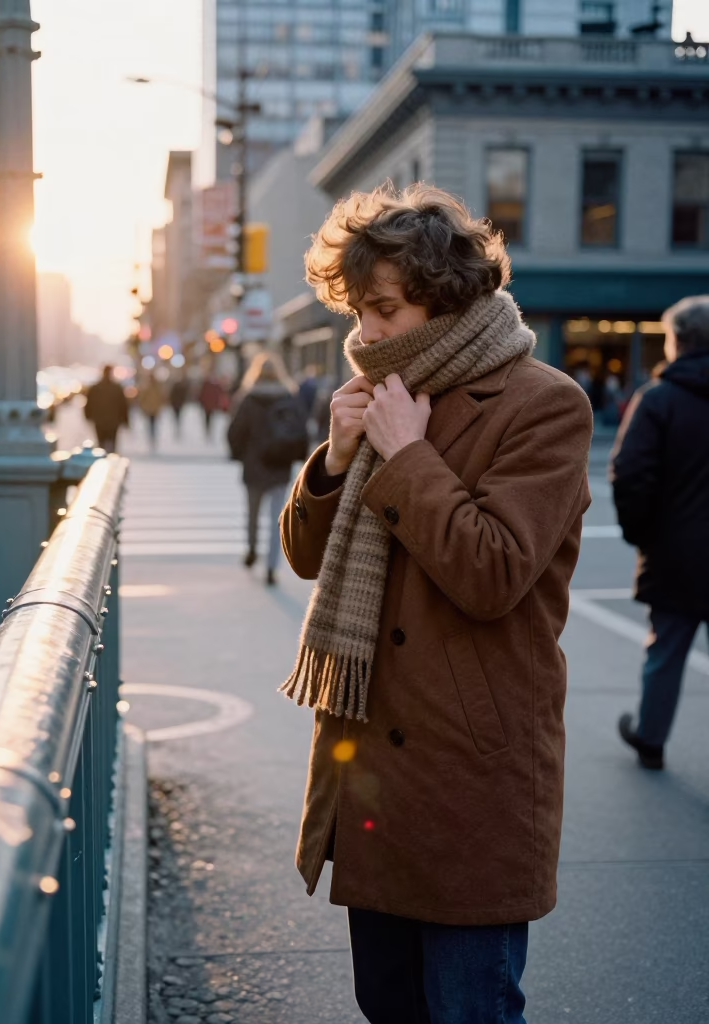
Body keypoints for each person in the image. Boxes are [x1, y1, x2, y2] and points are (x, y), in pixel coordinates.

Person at [278, 185, 592, 1023]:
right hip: (374, 772)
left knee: (469, 1010)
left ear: (445, 296)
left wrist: (408, 455)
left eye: (383, 309)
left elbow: (493, 573)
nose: (364, 333)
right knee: (388, 1005)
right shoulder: (379, 397)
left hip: (469, 776)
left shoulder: (544, 404)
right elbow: (308, 559)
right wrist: (337, 460)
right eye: (358, 310)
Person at [610, 295, 709, 771]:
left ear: (676, 342)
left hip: (678, 551)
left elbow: (630, 474)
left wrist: (642, 534)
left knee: (666, 649)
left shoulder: (659, 400)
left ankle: (651, 738)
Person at [227, 352, 307, 586]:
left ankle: (251, 548)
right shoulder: (289, 396)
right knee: (277, 519)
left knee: (252, 514)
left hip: (253, 465)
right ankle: (272, 567)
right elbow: (301, 430)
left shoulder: (248, 398)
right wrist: (298, 457)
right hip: (280, 465)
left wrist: (239, 455)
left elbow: (235, 431)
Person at [83, 365, 129, 453]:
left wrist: (88, 416)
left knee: (101, 444)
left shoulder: (95, 388)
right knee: (112, 443)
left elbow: (89, 404)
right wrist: (125, 420)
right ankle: (111, 459)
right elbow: (123, 406)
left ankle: (104, 459)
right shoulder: (116, 388)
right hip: (113, 421)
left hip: (100, 421)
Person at [136, 374, 164, 453]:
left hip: (153, 409)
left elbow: (160, 398)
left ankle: (153, 438)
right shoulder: (147, 388)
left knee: (153, 425)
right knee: (150, 425)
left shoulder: (156, 388)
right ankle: (151, 438)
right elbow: (142, 398)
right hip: (149, 409)